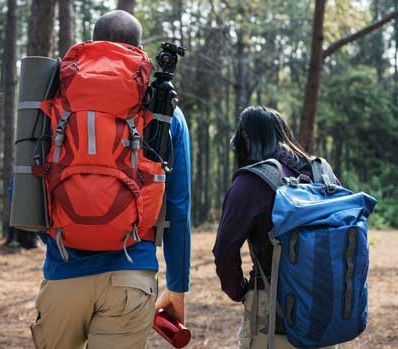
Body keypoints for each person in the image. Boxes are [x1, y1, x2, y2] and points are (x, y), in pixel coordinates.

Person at [29, 10, 192, 349]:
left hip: (63, 272)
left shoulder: (54, 99)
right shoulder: (164, 111)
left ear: (92, 43)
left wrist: (63, 235)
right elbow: (178, 207)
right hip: (132, 274)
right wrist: (178, 287)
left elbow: (25, 185)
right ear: (139, 49)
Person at [212, 106, 339, 349]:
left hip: (272, 308)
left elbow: (224, 250)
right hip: (324, 306)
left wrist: (240, 291)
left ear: (246, 138)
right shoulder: (323, 173)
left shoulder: (251, 181)